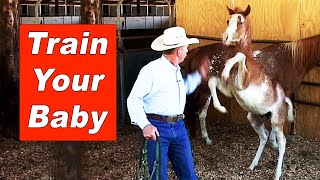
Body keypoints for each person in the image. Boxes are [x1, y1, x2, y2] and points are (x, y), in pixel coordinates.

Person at [127, 26, 208, 180]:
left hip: (178, 127)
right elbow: (133, 99)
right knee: (158, 176)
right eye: (185, 47)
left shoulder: (176, 69)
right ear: (178, 51)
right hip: (157, 129)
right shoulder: (150, 71)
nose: (187, 50)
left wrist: (199, 76)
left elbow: (180, 90)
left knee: (189, 175)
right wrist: (145, 125)